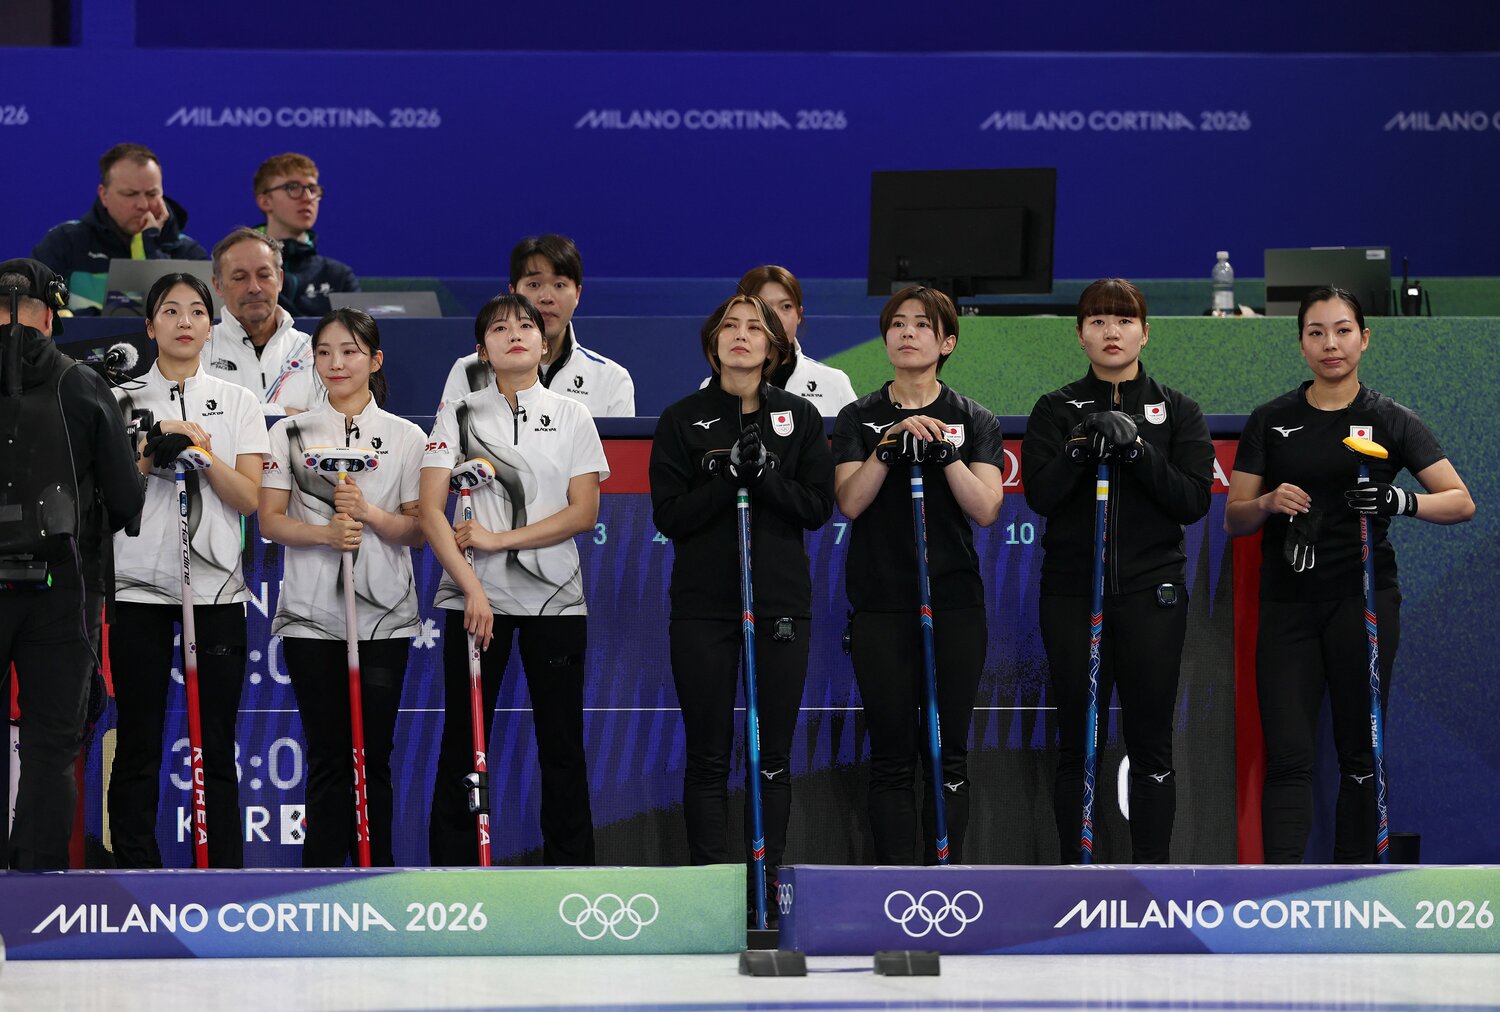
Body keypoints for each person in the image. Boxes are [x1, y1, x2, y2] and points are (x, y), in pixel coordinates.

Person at [1226, 286, 1474, 864]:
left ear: (1364, 339)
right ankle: (1280, 891)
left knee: (1361, 755)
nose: (1330, 344)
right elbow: (1235, 518)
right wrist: (1267, 503)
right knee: (1289, 755)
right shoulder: (1272, 419)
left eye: (1342, 331)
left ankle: (1353, 889)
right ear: (1301, 344)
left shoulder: (1389, 418)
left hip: (1362, 601)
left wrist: (1398, 500)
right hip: (1287, 605)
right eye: (1316, 332)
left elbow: (1460, 502)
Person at [650, 293, 833, 917]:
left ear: (774, 347)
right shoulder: (682, 418)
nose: (741, 335)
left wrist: (765, 478)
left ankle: (766, 891)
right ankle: (710, 894)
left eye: (756, 327)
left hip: (779, 603)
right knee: (707, 753)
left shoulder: (799, 417)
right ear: (713, 344)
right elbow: (670, 516)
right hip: (703, 607)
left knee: (771, 755)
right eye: (730, 326)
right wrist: (726, 478)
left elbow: (817, 508)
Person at [1021, 278, 1214, 864]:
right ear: (1080, 334)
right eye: (1099, 321)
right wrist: (1080, 448)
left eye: (1125, 320)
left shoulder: (1178, 409)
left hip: (1152, 594)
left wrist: (1137, 451)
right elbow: (1041, 495)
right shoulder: (1055, 408)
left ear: (1145, 333)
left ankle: (1151, 880)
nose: (1112, 331)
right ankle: (1075, 880)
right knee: (1079, 744)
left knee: (1151, 743)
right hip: (1072, 594)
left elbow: (1193, 500)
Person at [421, 292, 608, 865]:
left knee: (562, 742)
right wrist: (473, 589)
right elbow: (430, 510)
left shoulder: (573, 415)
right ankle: (453, 878)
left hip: (556, 600)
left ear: (544, 345)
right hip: (475, 602)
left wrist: (499, 540)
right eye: (500, 329)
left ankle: (570, 878)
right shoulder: (458, 414)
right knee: (463, 738)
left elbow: (584, 512)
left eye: (526, 326)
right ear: (483, 350)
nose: (516, 334)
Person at [831, 285, 1004, 864]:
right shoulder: (858, 417)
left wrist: (946, 454)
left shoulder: (973, 418)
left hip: (954, 604)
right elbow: (849, 502)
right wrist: (887, 448)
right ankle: (894, 888)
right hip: (880, 603)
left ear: (946, 342)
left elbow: (986, 508)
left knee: (948, 755)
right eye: (898, 324)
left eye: (922, 325)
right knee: (891, 757)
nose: (907, 333)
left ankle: (943, 885)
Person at [107, 272, 267, 868]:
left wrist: (200, 454)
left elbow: (248, 499)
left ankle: (222, 872)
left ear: (210, 325)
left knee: (215, 738)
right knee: (139, 736)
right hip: (136, 586)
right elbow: (108, 492)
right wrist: (154, 446)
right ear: (150, 327)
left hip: (217, 590)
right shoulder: (119, 399)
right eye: (170, 311)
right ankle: (134, 869)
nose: (184, 322)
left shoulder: (238, 399)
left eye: (196, 311)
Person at [259, 309, 424, 866]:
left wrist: (369, 514)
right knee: (328, 753)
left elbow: (418, 530)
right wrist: (325, 534)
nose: (336, 363)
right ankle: (322, 882)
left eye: (350, 351)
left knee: (373, 753)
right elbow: (269, 521)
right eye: (325, 352)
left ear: (375, 361)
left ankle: (378, 879)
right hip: (310, 617)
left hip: (384, 616)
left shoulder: (407, 437)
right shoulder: (288, 433)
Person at [0, 258, 143, 868]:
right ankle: (34, 891)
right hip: (62, 591)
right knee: (52, 746)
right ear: (50, 315)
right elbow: (126, 500)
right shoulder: (80, 383)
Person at [438, 235, 634, 416]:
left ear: (577, 294)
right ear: (513, 292)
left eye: (559, 285)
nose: (546, 297)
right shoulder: (470, 370)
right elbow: (447, 441)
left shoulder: (611, 379)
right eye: (534, 284)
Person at [32, 143, 209, 314]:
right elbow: (35, 312)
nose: (143, 205)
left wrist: (150, 246)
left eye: (152, 194)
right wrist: (101, 323)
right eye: (130, 194)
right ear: (104, 195)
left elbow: (192, 321)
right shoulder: (64, 242)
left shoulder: (189, 253)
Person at [204, 227, 320, 415]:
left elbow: (325, 423)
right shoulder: (200, 350)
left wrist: (234, 415)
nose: (254, 287)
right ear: (218, 286)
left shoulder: (311, 351)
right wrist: (284, 414)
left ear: (280, 279)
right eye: (240, 278)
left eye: (264, 275)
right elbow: (195, 419)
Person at [732, 265, 857, 416]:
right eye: (764, 307)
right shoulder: (715, 388)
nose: (776, 319)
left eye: (786, 306)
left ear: (799, 314)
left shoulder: (834, 383)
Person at [253, 153, 360, 318]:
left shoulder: (338, 276)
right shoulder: (239, 269)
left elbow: (358, 332)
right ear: (265, 201)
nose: (308, 198)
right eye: (293, 187)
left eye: (312, 189)